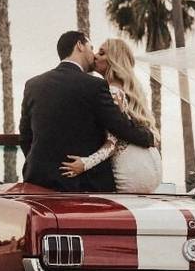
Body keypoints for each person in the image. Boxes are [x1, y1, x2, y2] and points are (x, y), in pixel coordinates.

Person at [19, 31, 155, 192]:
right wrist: (148, 136)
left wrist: (43, 164)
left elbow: (25, 136)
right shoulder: (95, 86)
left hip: (39, 180)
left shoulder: (33, 85)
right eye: (91, 48)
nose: (94, 55)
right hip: (84, 185)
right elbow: (120, 127)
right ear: (80, 45)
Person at [59, 38, 163, 193]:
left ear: (114, 61)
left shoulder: (113, 92)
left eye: (102, 53)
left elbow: (112, 143)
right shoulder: (124, 90)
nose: (95, 56)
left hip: (130, 169)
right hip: (150, 164)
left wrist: (84, 164)